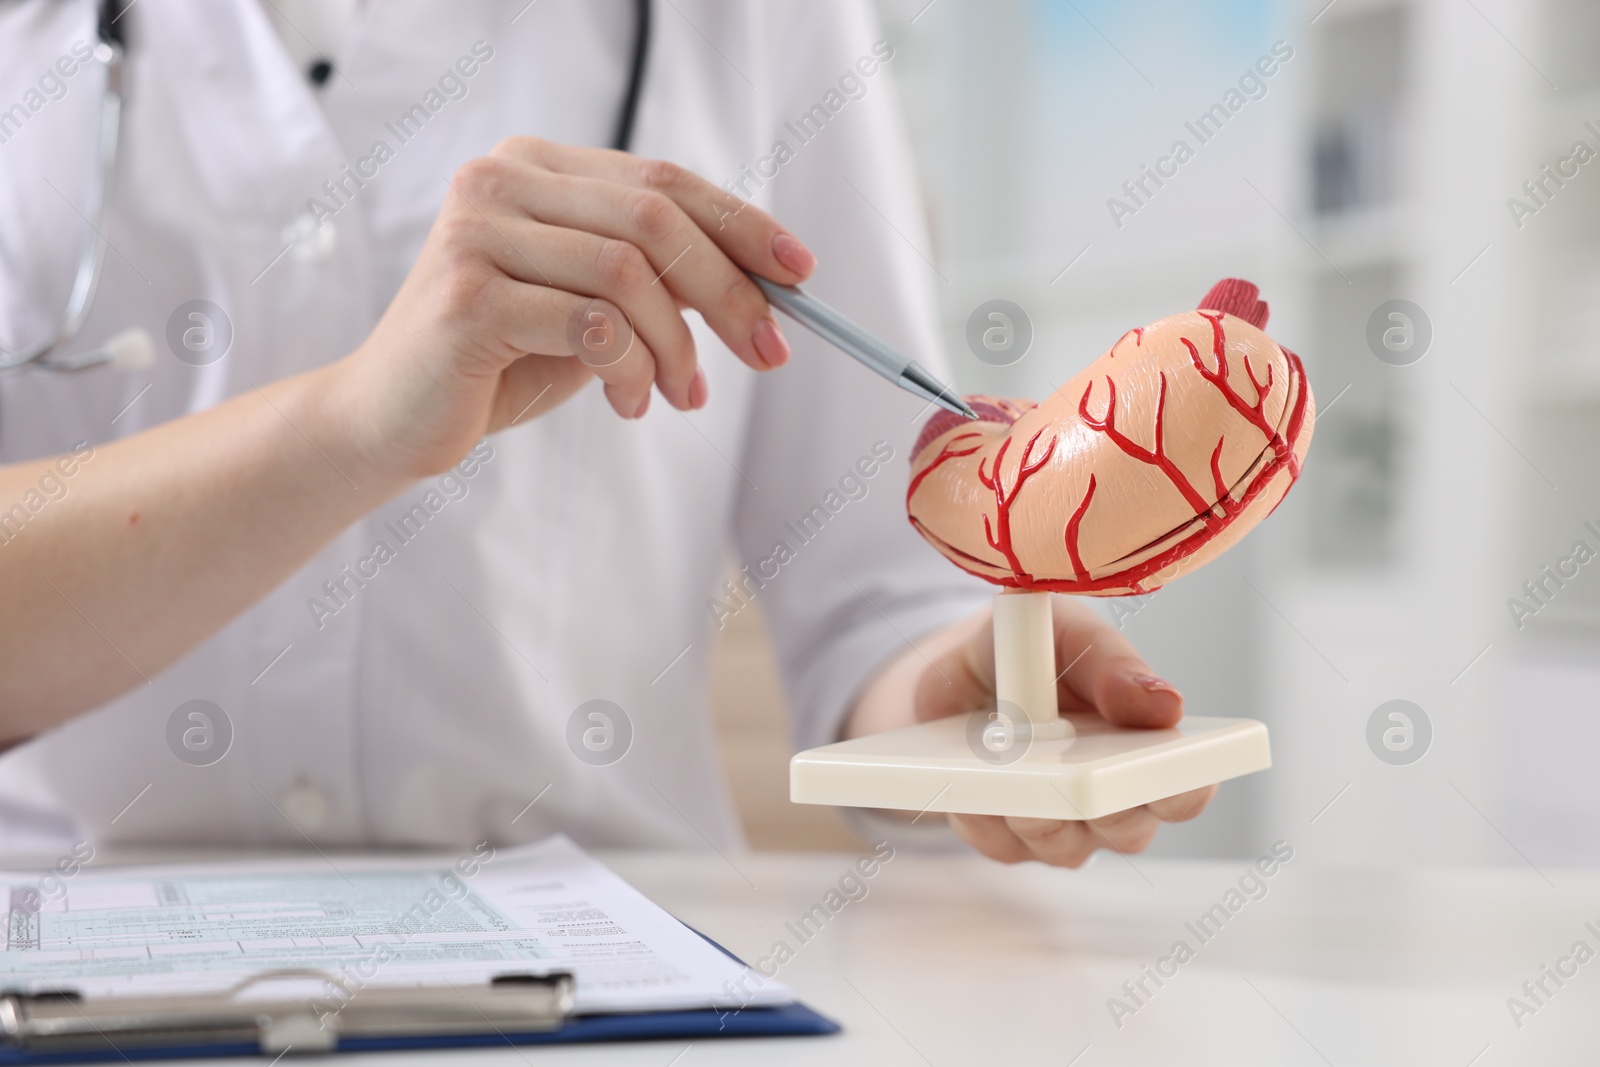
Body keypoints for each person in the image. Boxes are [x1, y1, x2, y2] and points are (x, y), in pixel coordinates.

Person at [0, 0, 1212, 864]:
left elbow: (879, 597)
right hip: (72, 950)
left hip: (609, 955)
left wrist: (955, 705)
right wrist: (356, 425)